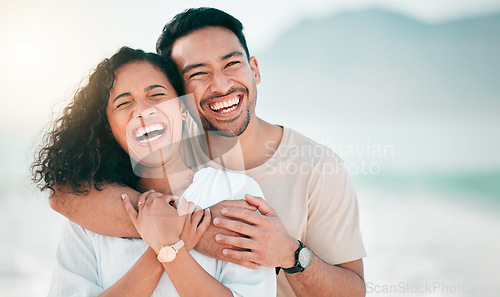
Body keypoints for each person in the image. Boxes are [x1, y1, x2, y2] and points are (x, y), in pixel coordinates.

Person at [48, 7, 367, 297]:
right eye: (198, 73)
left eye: (232, 63)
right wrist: (176, 231)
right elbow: (63, 197)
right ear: (181, 93)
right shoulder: (151, 164)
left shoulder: (314, 167)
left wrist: (291, 254)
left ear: (254, 70)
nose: (221, 84)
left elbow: (352, 293)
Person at [33, 47, 276, 296]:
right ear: (108, 128)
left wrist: (170, 248)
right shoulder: (88, 216)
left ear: (183, 110)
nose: (142, 111)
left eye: (156, 95)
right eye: (123, 103)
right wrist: (164, 248)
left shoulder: (236, 192)